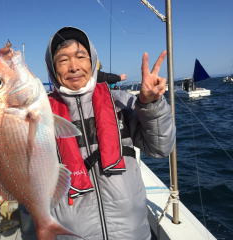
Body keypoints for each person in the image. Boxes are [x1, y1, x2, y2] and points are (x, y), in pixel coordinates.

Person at [19, 26, 176, 240]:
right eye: (63, 60)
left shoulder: (121, 101)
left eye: (80, 56)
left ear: (92, 61)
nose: (73, 67)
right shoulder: (39, 116)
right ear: (53, 69)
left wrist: (151, 104)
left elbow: (161, 148)